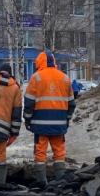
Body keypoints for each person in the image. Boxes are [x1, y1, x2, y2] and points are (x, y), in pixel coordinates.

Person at [24, 51, 75, 188]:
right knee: (59, 151)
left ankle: (42, 182)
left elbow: (29, 102)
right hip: (59, 124)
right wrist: (66, 119)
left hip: (40, 124)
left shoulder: (36, 77)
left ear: (39, 62)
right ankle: (60, 182)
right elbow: (71, 104)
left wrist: (27, 119)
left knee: (40, 151)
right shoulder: (65, 78)